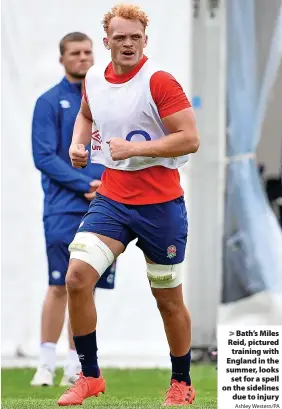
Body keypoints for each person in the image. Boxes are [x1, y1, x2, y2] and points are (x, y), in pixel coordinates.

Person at [57, 4, 200, 407]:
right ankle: (89, 376)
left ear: (145, 41)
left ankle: (181, 382)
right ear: (107, 42)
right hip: (114, 200)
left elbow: (190, 138)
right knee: (76, 278)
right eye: (120, 37)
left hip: (162, 205)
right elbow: (86, 114)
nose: (128, 43)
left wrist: (136, 148)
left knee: (168, 299)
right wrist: (77, 142)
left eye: (135, 36)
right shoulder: (93, 80)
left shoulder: (160, 81)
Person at [31, 32, 116, 388]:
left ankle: (74, 365)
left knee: (86, 286)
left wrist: (107, 188)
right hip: (64, 208)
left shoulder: (108, 101)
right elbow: (44, 156)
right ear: (62, 58)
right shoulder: (49, 102)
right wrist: (85, 186)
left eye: (87, 52)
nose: (83, 58)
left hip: (105, 208)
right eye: (75, 53)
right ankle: (45, 364)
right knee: (58, 285)